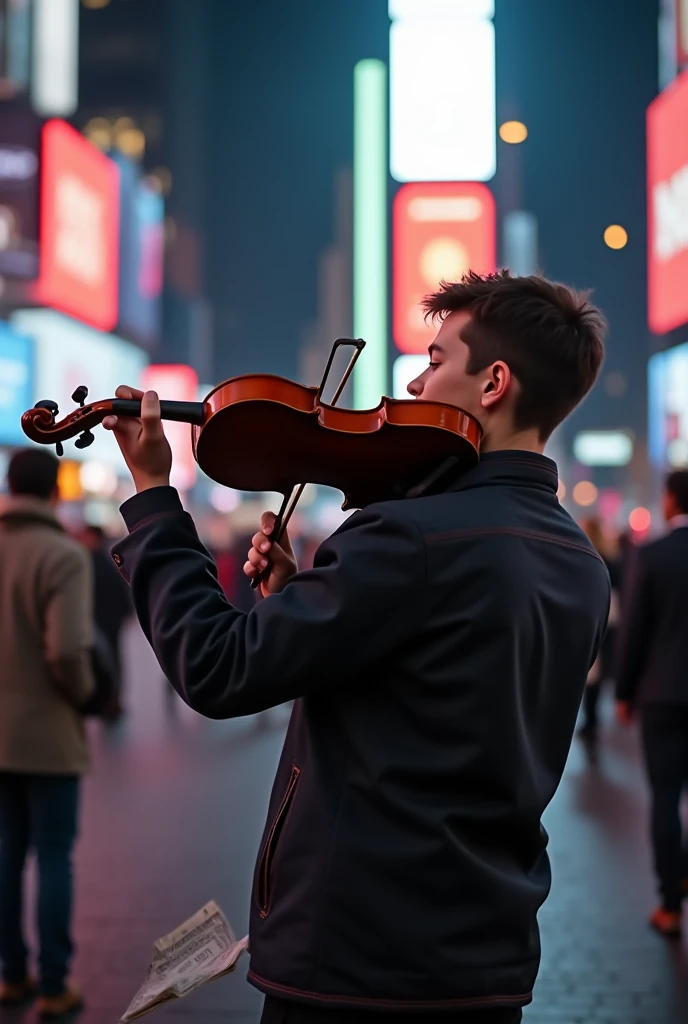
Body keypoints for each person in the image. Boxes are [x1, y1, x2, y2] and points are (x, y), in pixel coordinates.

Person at [104, 270, 610, 1024]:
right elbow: (436, 693)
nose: (415, 377)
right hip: (486, 959)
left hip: (355, 961)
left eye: (437, 359)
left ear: (494, 382)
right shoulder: (580, 561)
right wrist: (296, 600)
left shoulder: (411, 535)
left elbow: (215, 667)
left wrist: (151, 498)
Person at [0, 449, 94, 1018]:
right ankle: (56, 984)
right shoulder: (64, 555)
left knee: (6, 853)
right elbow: (66, 649)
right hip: (49, 732)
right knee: (54, 855)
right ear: (55, 489)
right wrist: (86, 697)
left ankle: (11, 975)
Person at [615, 469, 688, 938]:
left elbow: (633, 631)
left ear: (669, 501)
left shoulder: (653, 555)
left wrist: (624, 692)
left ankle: (670, 904)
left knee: (665, 798)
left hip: (662, 695)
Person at [80, 524, 133, 718]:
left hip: (105, 620)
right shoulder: (107, 559)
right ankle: (110, 700)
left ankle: (110, 700)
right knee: (110, 659)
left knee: (108, 659)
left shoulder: (92, 561)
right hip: (106, 619)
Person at [578, 516, 622, 740]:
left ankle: (591, 719)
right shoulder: (612, 559)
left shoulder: (587, 558)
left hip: (593, 617)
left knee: (591, 672)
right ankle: (592, 718)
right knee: (598, 671)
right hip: (611, 620)